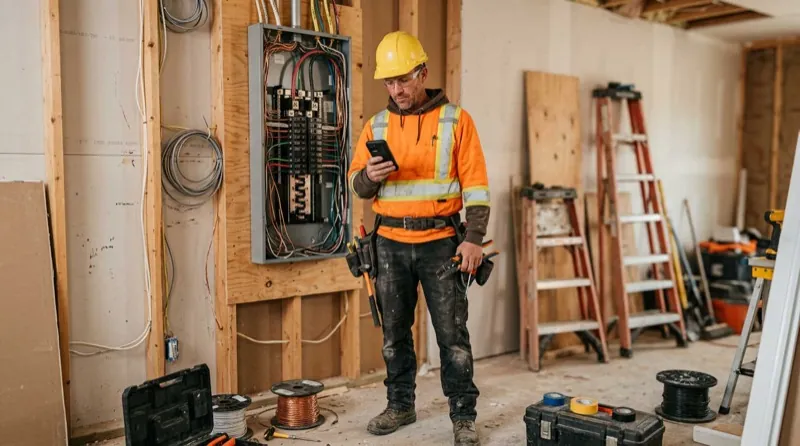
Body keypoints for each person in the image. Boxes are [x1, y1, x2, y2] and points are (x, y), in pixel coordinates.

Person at [347, 31, 491, 446]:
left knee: (452, 336)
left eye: (404, 80)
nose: (397, 89)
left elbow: (477, 186)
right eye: (389, 82)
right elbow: (358, 184)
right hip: (389, 245)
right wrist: (368, 179)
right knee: (394, 335)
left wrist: (474, 239)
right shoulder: (376, 125)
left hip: (442, 243)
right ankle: (400, 405)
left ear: (423, 72)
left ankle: (463, 415)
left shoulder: (456, 121)